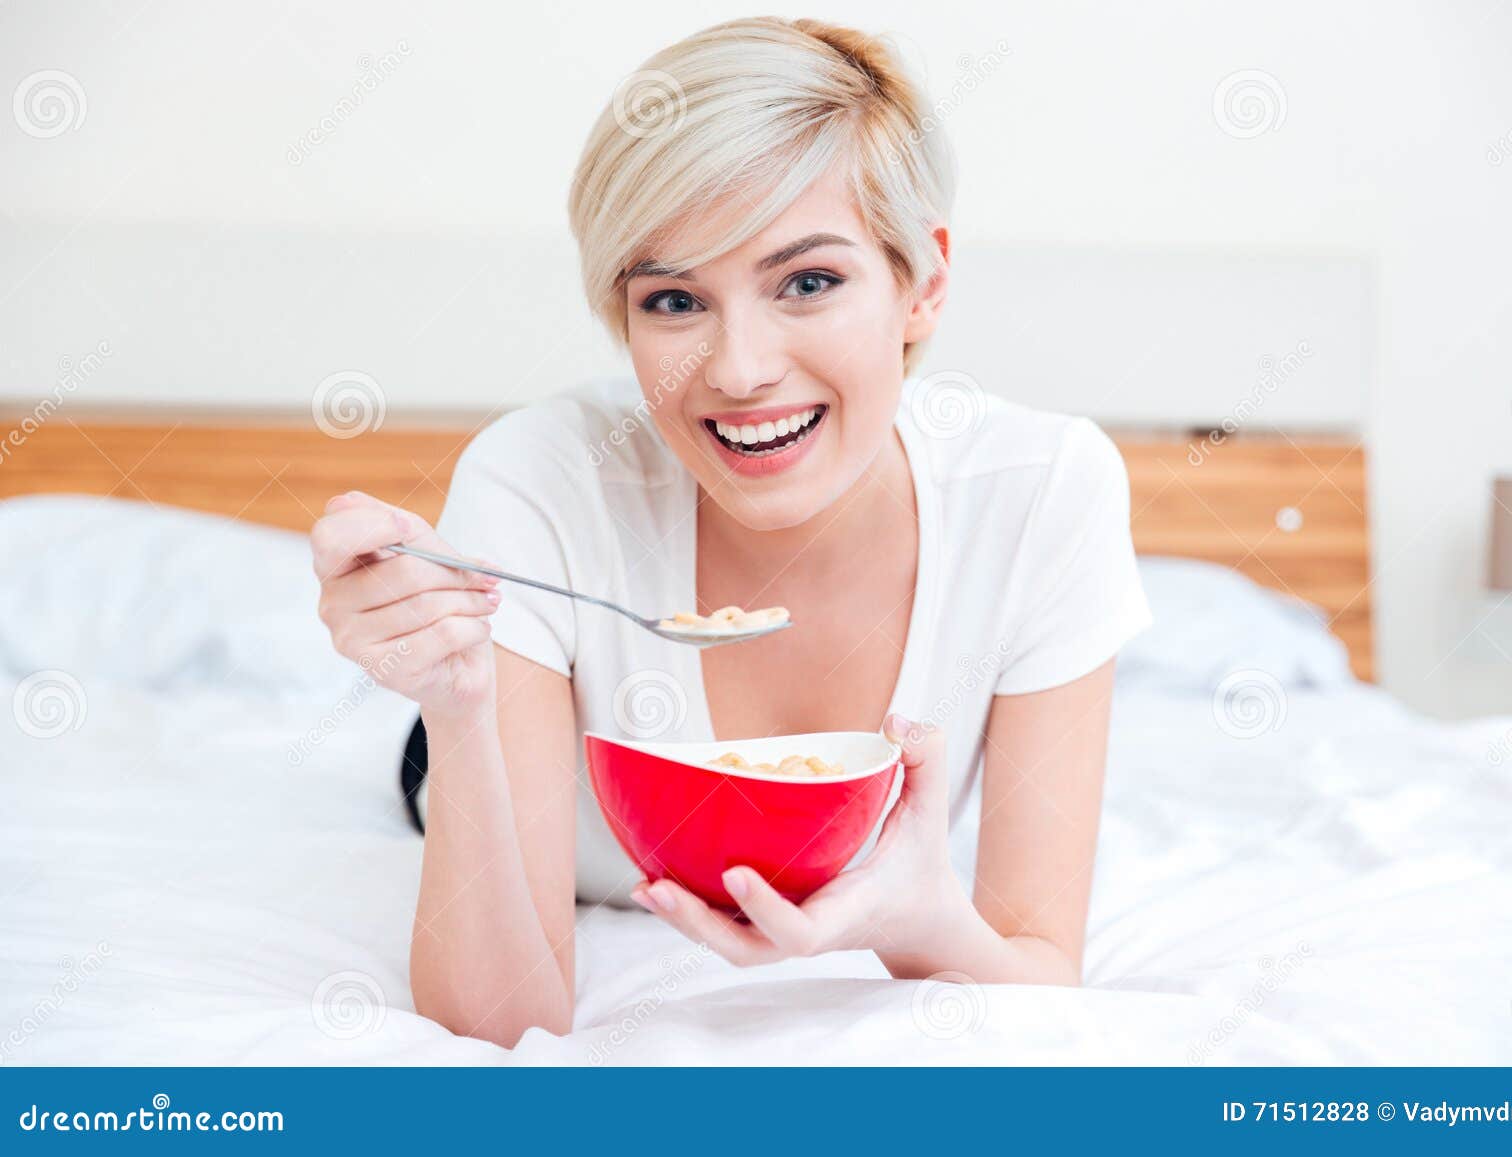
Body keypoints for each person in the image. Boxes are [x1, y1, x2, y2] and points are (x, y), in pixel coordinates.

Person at [309, 16, 1150, 1044]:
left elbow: (1034, 965)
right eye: (674, 298)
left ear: (922, 283)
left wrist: (916, 913)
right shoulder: (540, 480)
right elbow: (500, 1025)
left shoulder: (1039, 493)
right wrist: (458, 701)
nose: (739, 368)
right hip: (499, 762)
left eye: (808, 281)